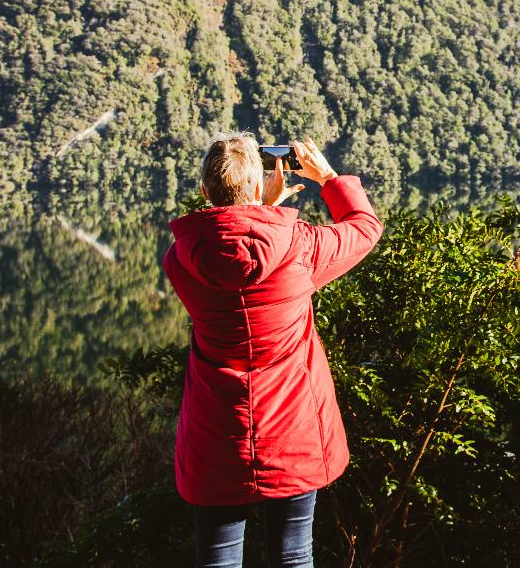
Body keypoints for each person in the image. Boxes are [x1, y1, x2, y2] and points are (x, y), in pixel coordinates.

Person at [163, 133, 383, 568]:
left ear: (205, 192)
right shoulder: (299, 247)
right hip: (294, 430)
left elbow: (234, 251)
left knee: (217, 560)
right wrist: (328, 178)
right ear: (257, 184)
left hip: (215, 434)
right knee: (293, 557)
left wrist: (259, 209)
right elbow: (364, 227)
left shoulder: (182, 259)